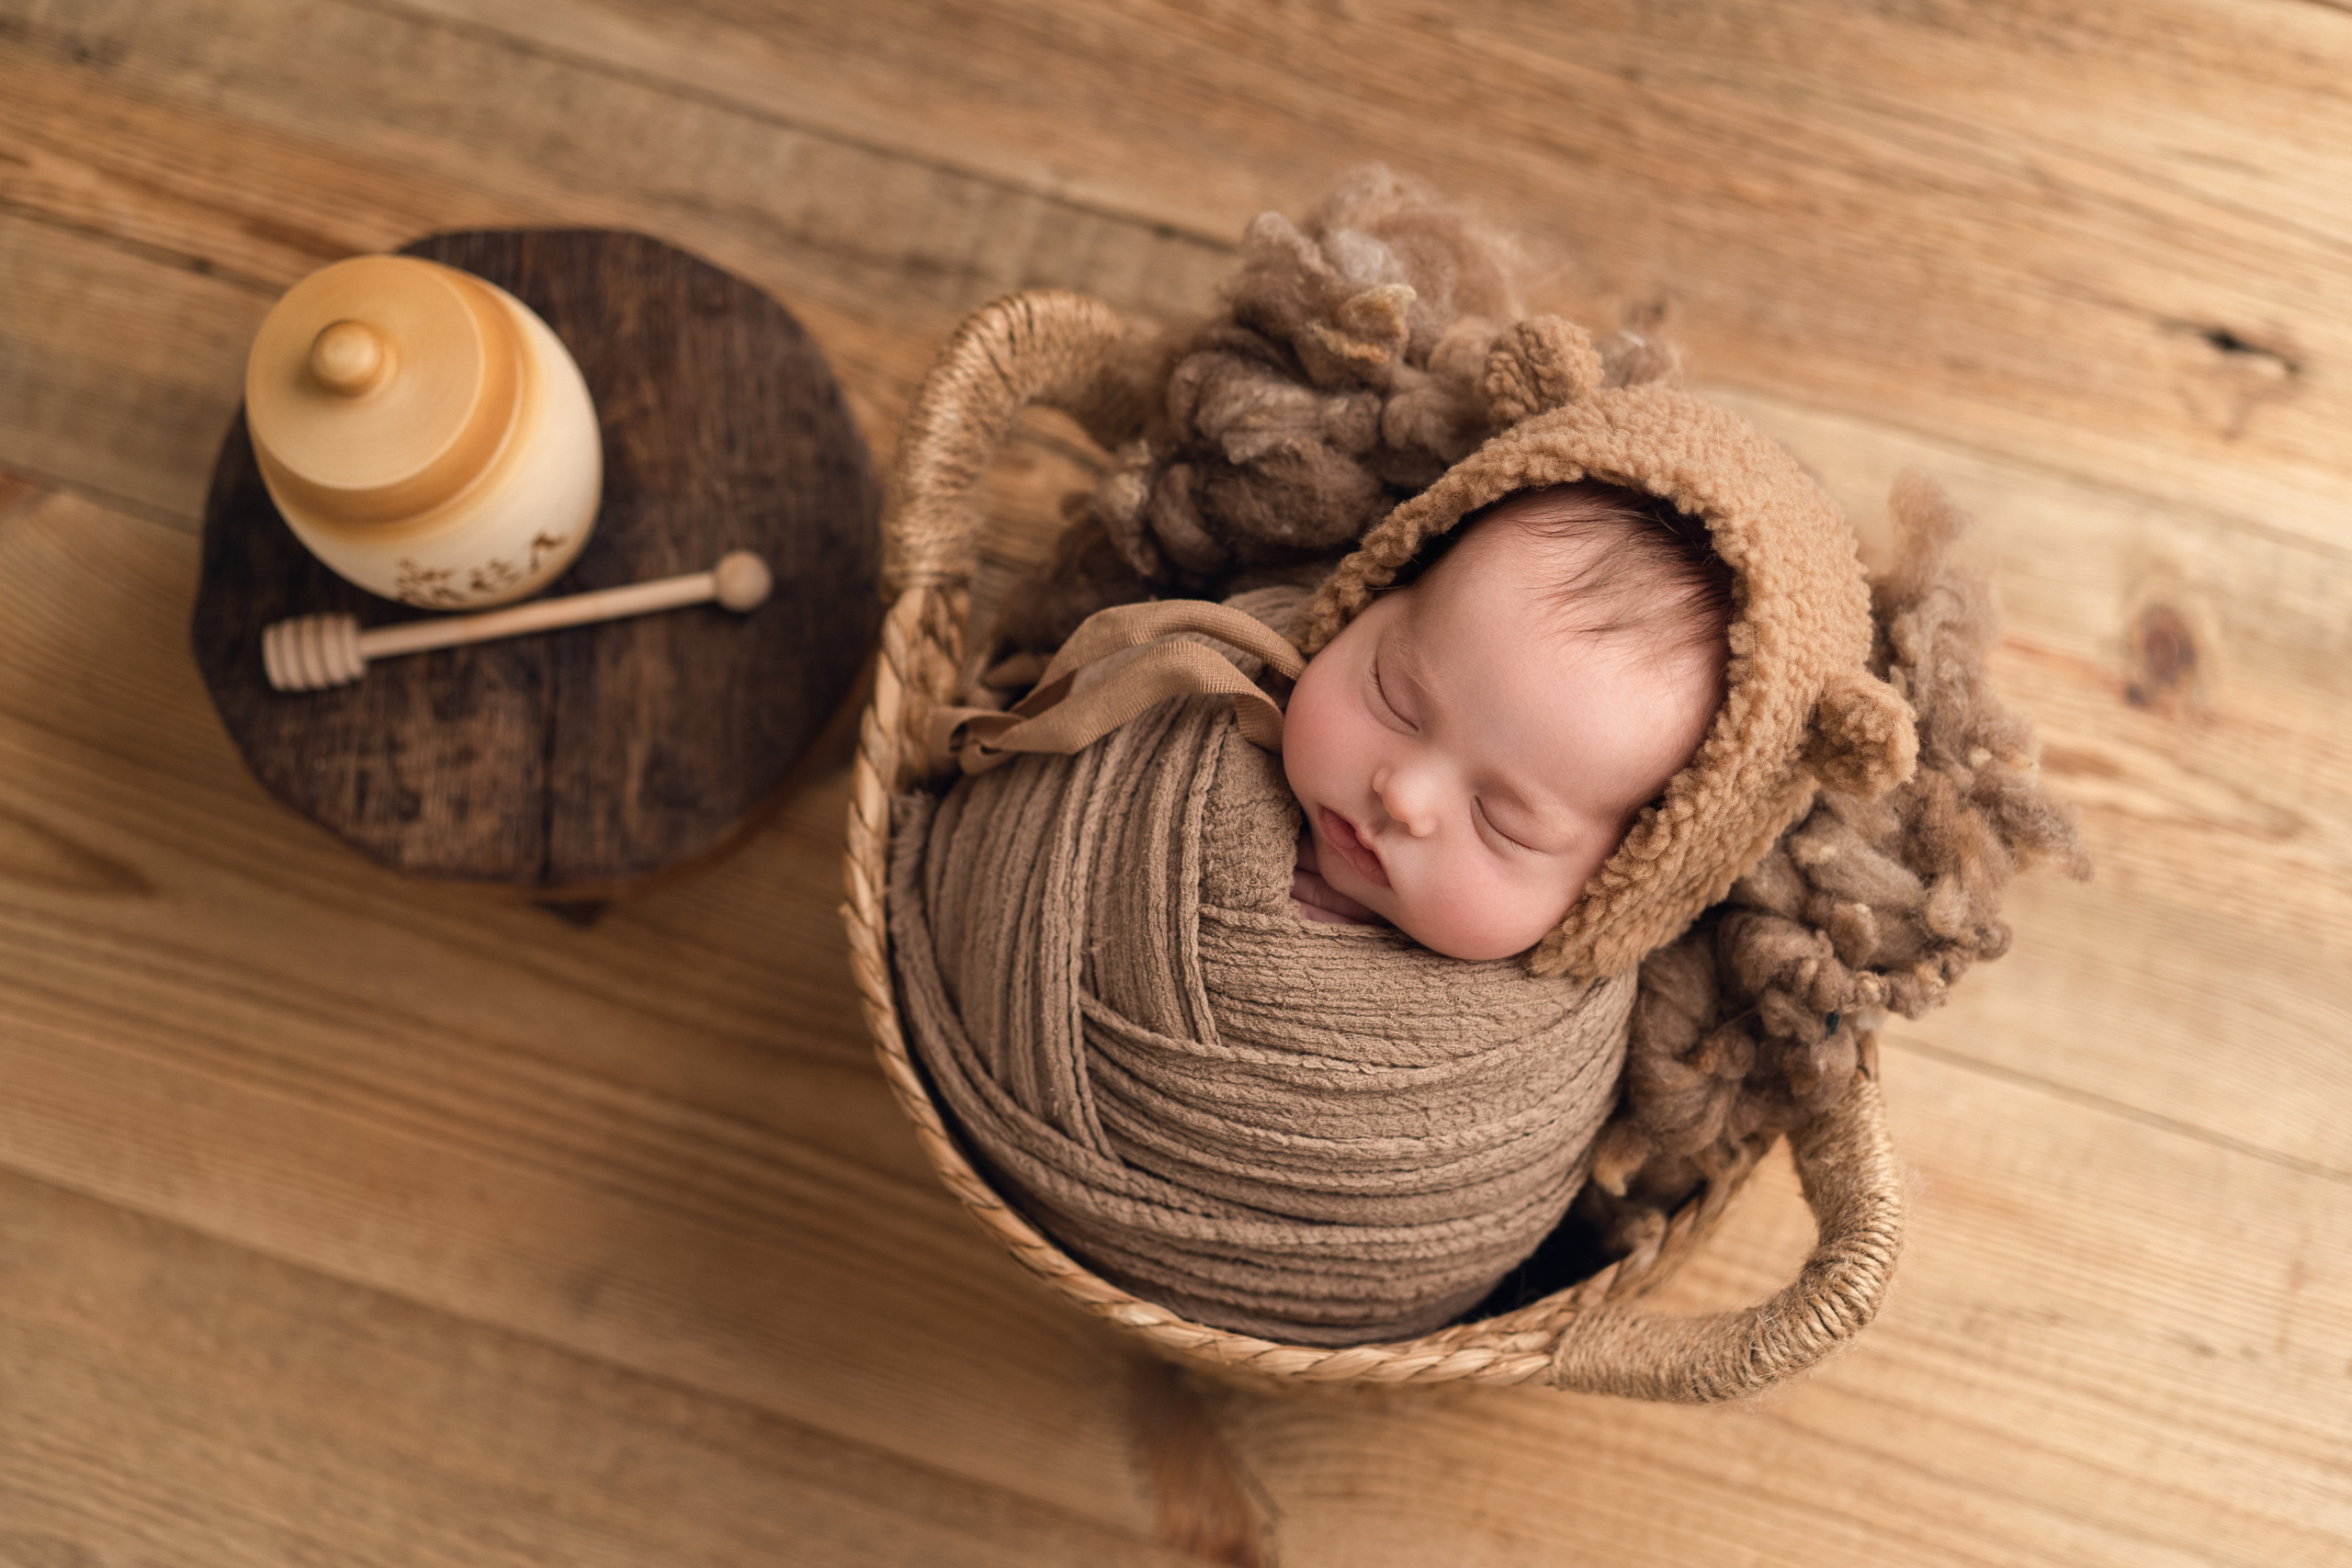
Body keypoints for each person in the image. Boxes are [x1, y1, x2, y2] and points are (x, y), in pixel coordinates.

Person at [1283, 479, 1735, 961]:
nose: (1402, 797)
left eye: (1501, 824)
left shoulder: (1542, 1029)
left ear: (1620, 884)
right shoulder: (1217, 672)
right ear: (1376, 587)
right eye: (1393, 700)